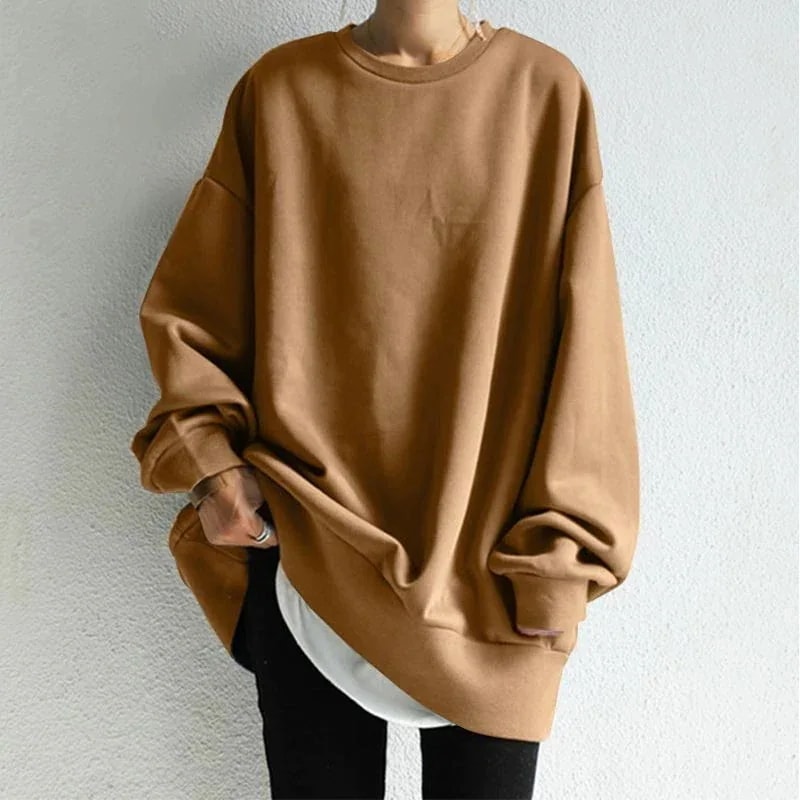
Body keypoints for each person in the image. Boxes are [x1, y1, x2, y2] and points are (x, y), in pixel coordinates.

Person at [130, 1, 640, 797]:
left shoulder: (545, 93)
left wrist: (562, 562)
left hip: (498, 580)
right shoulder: (280, 94)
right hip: (310, 560)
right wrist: (214, 471)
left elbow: (588, 355)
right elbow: (194, 311)